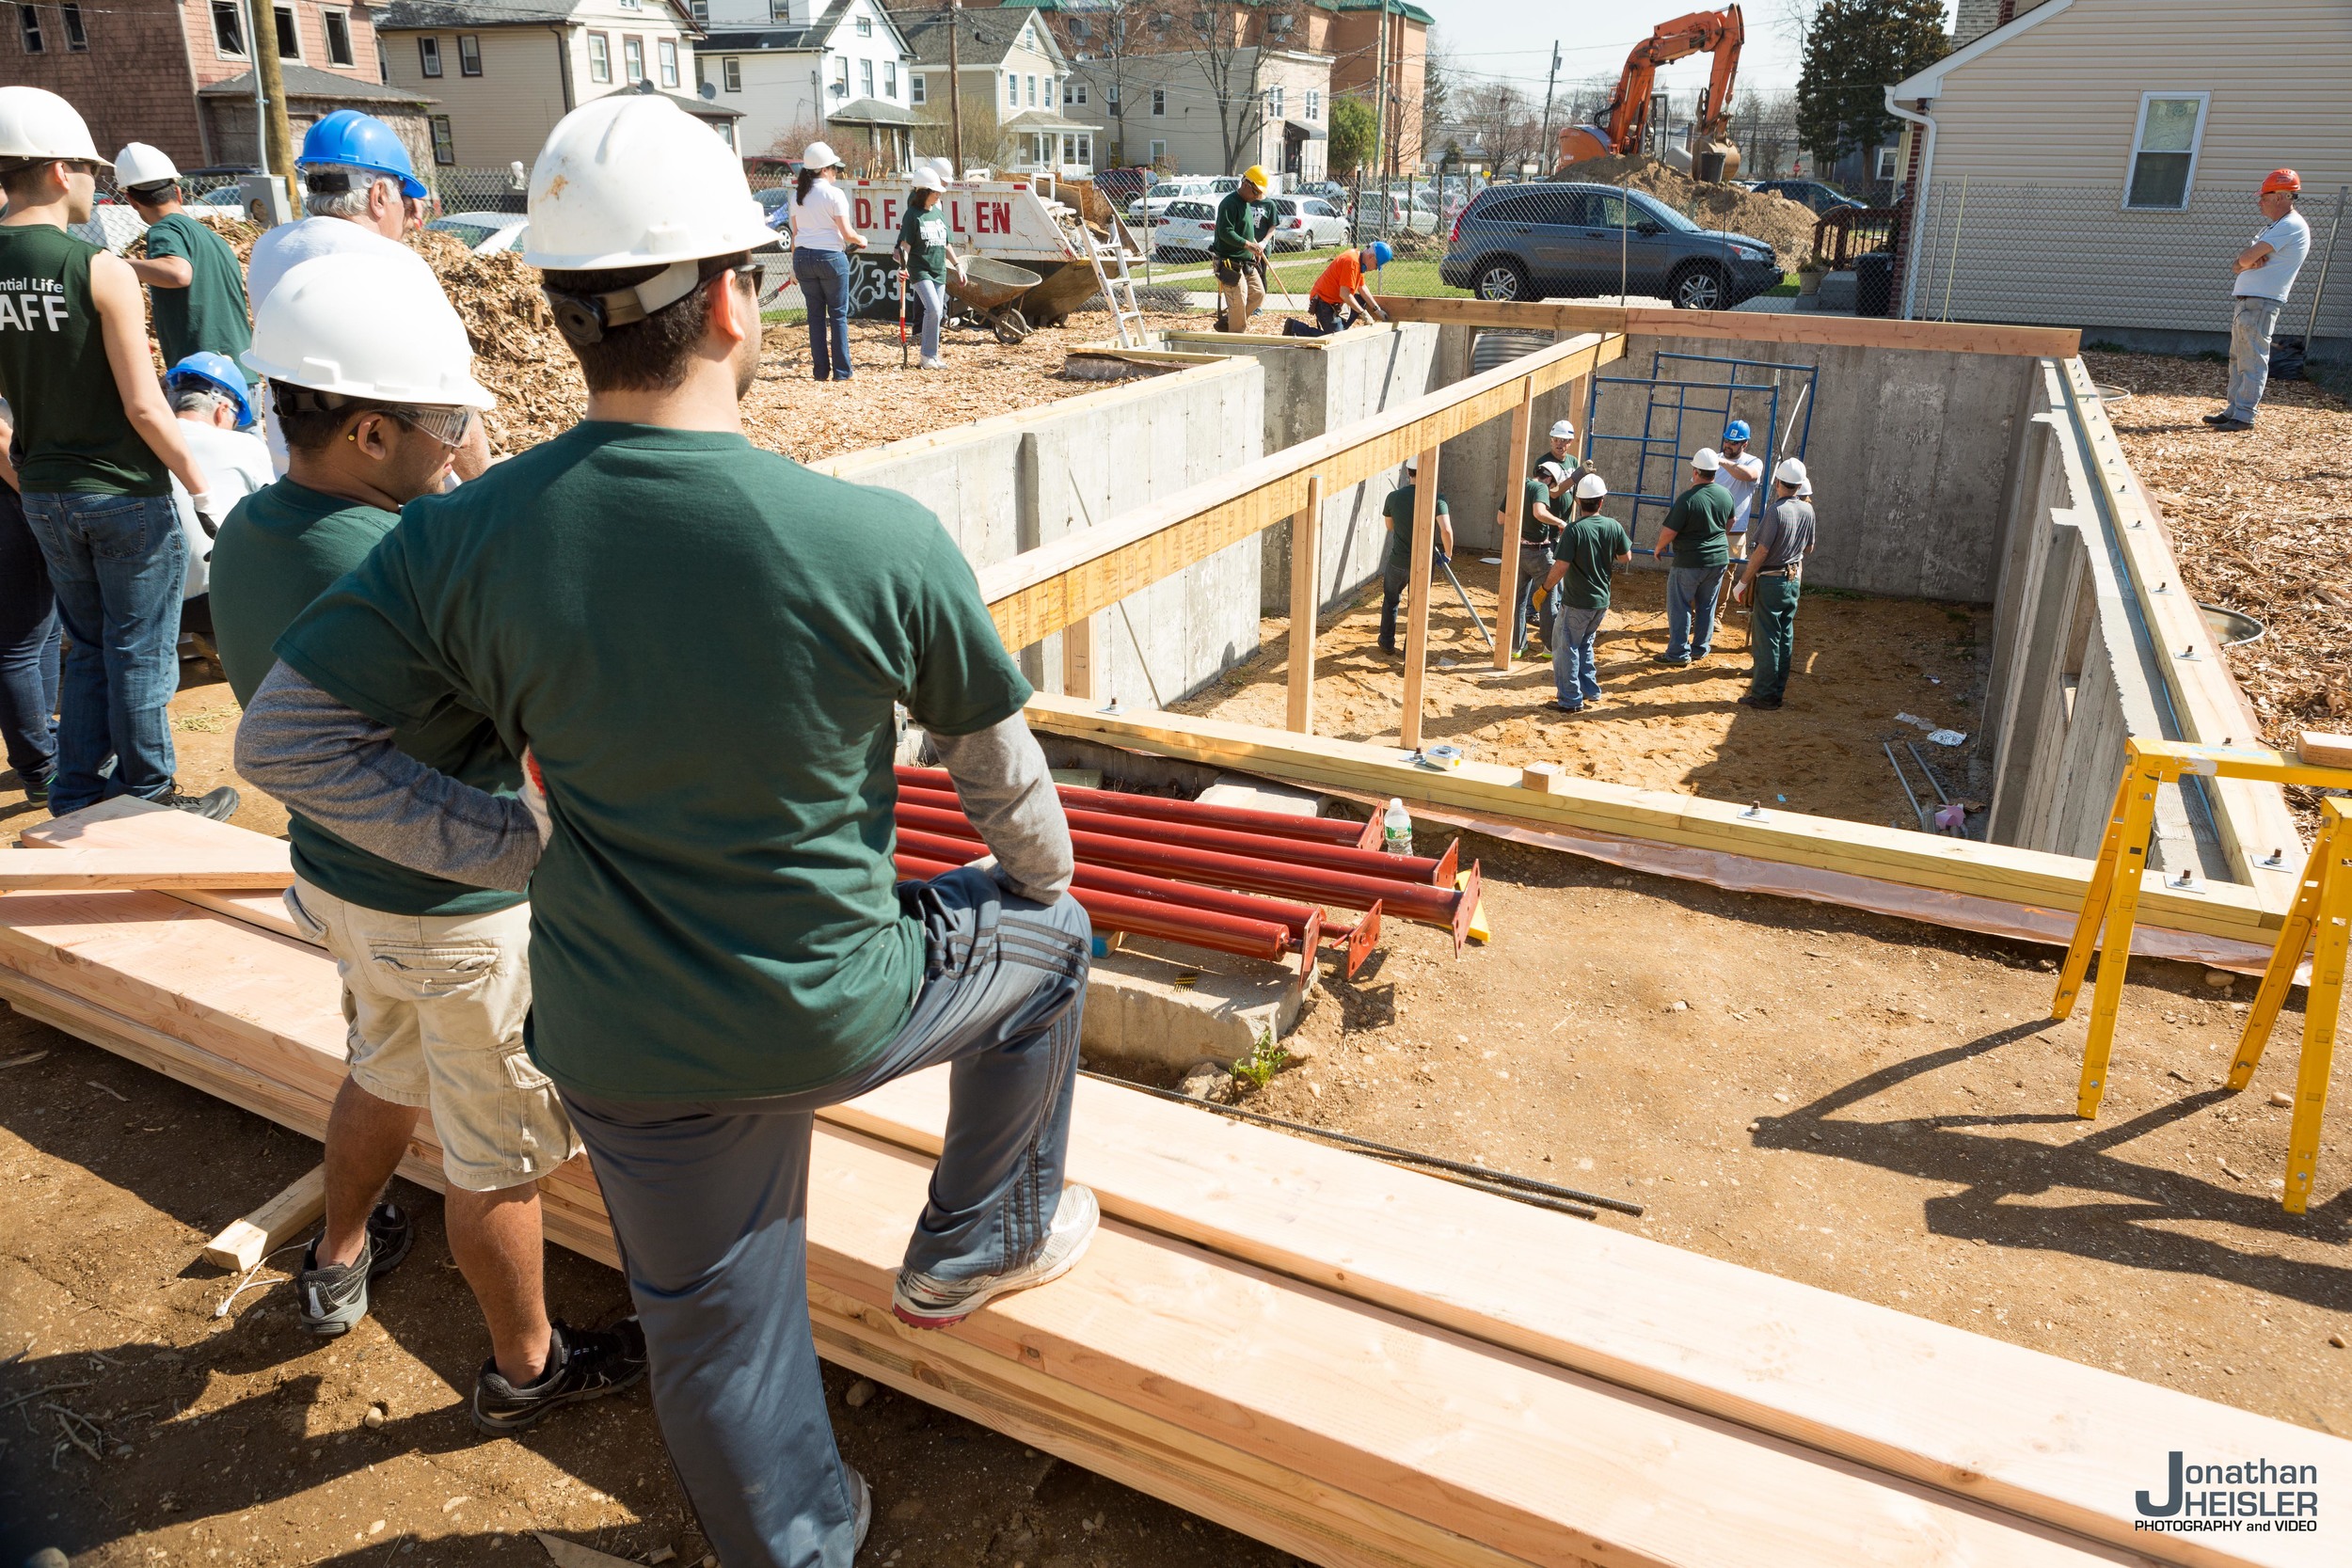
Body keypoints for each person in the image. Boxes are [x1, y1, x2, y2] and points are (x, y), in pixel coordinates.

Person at [232, 95, 1096, 1565]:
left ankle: (798, 1541)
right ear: (725, 300)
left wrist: (513, 846)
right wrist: (1037, 893)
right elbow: (1011, 793)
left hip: (622, 1032)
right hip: (837, 996)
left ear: (565, 320)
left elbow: (283, 742)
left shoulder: (462, 533)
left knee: (713, 1326)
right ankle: (972, 1239)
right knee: (1054, 940)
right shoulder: (873, 539)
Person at [210, 252, 640, 1433]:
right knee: (497, 1151)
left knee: (380, 1070)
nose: (456, 440)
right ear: (362, 431)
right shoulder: (410, 570)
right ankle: (526, 1366)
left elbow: (455, 515)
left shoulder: (260, 524)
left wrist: (452, 452)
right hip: (454, 911)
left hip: (337, 882)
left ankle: (339, 1251)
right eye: (439, 421)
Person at [0, 87, 234, 821]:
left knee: (88, 644)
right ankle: (150, 797)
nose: (98, 186)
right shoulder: (98, 268)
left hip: (42, 490)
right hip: (123, 491)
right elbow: (143, 404)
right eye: (91, 171)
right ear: (59, 169)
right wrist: (202, 486)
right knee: (141, 649)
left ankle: (74, 791)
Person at [246, 111, 491, 482]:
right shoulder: (392, 263)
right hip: (382, 483)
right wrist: (485, 491)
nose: (407, 217)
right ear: (378, 195)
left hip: (296, 470)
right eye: (402, 199)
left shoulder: (269, 248)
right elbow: (454, 404)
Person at [116, 143, 258, 387]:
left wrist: (116, 265)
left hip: (206, 379)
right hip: (241, 376)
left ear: (132, 200)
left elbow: (178, 273)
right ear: (178, 192)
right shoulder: (212, 239)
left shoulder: (164, 229)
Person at [160, 353, 272, 656]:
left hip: (149, 602)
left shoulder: (139, 440)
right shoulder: (245, 445)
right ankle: (231, 640)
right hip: (218, 601)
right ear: (223, 410)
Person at [2208, 168, 2311, 432]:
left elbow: (2243, 260)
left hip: (2261, 302)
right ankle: (2233, 410)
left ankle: (2243, 415)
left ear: (2280, 196)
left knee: (2252, 359)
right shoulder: (2276, 226)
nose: (2259, 202)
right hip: (2250, 302)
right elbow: (2238, 264)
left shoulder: (2289, 225)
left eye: (2264, 197)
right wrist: (2246, 262)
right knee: (2238, 359)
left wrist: (2246, 262)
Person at [0, 397, 59, 803]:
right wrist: (44, 508)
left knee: (46, 629)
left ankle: (46, 741)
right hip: (12, 502)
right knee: (18, 645)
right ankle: (41, 768)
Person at [1535, 472, 1632, 714]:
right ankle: (1590, 690)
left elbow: (1560, 566)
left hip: (1578, 602)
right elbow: (1625, 557)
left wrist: (1545, 589)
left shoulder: (1575, 531)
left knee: (1564, 647)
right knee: (1585, 644)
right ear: (1602, 501)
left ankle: (1569, 700)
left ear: (1578, 501)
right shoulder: (1614, 526)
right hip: (1601, 601)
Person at [1732, 458, 1817, 711]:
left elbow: (1761, 552)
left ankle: (1764, 695)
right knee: (1785, 635)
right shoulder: (1808, 510)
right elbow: (1809, 548)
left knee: (1767, 638)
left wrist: (1743, 581)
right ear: (1800, 485)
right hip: (1793, 580)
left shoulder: (1776, 511)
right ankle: (1777, 691)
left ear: (1778, 482)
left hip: (1771, 581)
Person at [788, 141, 866, 382]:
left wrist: (793, 266)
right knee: (838, 315)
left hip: (803, 257)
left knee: (815, 317)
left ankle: (820, 371)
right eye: (834, 168)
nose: (835, 173)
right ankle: (842, 372)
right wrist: (862, 239)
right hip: (830, 258)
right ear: (824, 170)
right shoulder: (834, 194)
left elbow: (795, 234)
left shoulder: (796, 196)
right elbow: (847, 233)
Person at [1651, 447, 1732, 667]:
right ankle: (1700, 648)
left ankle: (1677, 653)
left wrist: (1659, 547)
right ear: (1715, 472)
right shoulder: (1725, 494)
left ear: (1696, 471)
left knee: (1681, 606)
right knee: (1707, 605)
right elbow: (1730, 522)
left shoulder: (1687, 499)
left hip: (1690, 562)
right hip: (1718, 560)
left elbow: (1670, 530)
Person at [1377, 452, 1452, 655]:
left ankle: (1386, 642)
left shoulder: (1393, 497)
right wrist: (1448, 554)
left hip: (1398, 561)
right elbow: (1446, 530)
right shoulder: (1437, 498)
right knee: (1417, 606)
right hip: (1423, 563)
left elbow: (1390, 526)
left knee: (1391, 600)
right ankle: (1411, 648)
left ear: (1408, 472)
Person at [895, 167, 966, 372]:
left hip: (938, 271)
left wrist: (958, 265)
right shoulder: (912, 215)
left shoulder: (939, 214)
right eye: (935, 191)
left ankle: (931, 355)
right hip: (920, 271)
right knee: (933, 309)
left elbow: (946, 244)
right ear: (924, 192)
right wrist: (902, 267)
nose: (939, 194)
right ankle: (927, 356)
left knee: (934, 313)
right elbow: (905, 246)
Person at [1510, 458, 1569, 657]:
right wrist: (1560, 521)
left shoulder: (1519, 485)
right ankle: (1550, 648)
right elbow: (1539, 512)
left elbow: (1502, 518)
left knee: (1518, 600)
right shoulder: (1540, 487)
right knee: (1548, 598)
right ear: (1550, 479)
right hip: (1538, 552)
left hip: (1517, 550)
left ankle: (1517, 647)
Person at [1212, 166, 1278, 333]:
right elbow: (1225, 233)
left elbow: (1245, 230)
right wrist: (1249, 246)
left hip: (1246, 261)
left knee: (1258, 294)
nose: (1257, 196)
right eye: (1256, 192)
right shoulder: (1229, 203)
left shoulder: (1247, 203)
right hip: (1229, 263)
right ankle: (1235, 337)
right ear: (1246, 184)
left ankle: (1230, 322)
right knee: (1238, 300)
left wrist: (1253, 250)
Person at [1306, 242, 1391, 334]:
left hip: (1334, 301)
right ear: (1371, 257)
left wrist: (1377, 310)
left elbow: (1362, 287)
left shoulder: (1358, 260)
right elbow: (1345, 294)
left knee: (1361, 300)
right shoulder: (1352, 262)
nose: (1375, 269)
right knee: (1337, 338)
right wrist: (1364, 314)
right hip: (1323, 302)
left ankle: (1338, 327)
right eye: (1376, 265)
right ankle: (1295, 327)